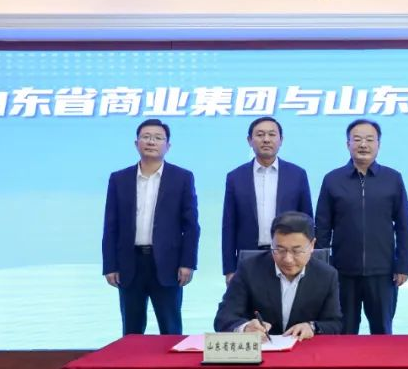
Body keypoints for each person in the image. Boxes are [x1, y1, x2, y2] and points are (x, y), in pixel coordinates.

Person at [102, 119, 199, 335]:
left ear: (168, 145)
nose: (151, 142)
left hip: (168, 264)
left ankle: (172, 358)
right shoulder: (119, 179)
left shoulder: (182, 177)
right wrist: (110, 265)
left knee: (170, 327)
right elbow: (110, 225)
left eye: (158, 138)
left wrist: (188, 263)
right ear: (136, 143)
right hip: (130, 263)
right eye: (146, 137)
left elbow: (191, 226)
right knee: (131, 329)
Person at [316, 119, 408, 335]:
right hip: (342, 272)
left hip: (383, 272)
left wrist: (403, 265)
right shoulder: (332, 179)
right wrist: (322, 268)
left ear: (378, 144)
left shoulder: (393, 178)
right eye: (357, 139)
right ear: (347, 144)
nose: (363, 144)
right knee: (344, 332)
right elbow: (322, 228)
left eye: (369, 139)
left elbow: (403, 225)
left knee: (382, 332)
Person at [214, 211, 342, 338]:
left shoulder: (327, 275)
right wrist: (245, 328)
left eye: (296, 251)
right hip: (262, 348)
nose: (288, 259)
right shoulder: (249, 269)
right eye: (280, 250)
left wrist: (312, 327)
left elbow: (335, 323)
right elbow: (224, 317)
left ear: (312, 245)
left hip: (304, 348)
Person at [221, 116, 313, 284]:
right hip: (249, 257)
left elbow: (307, 220)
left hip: (289, 256)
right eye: (260, 134)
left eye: (272, 134)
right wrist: (229, 269)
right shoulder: (235, 177)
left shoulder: (297, 174)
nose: (266, 139)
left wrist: (307, 261)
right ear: (249, 140)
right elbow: (229, 226)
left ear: (281, 140)